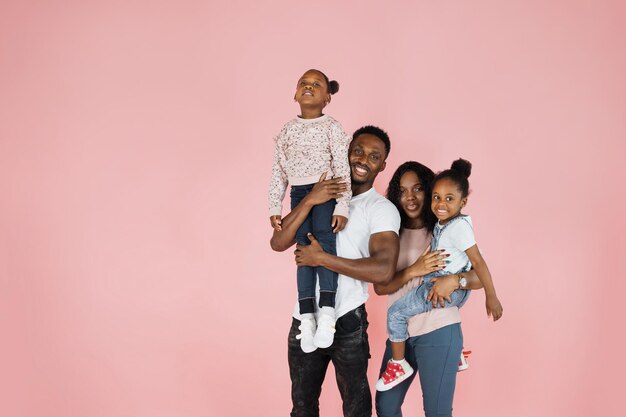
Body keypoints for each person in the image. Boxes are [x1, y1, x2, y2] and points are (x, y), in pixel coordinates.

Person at [270, 125, 400, 417]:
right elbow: (278, 242)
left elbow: (383, 270)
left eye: (373, 156)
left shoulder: (380, 209)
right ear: (345, 151)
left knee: (356, 410)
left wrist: (322, 258)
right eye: (357, 151)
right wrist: (311, 199)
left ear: (382, 165)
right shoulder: (319, 192)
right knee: (302, 409)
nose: (363, 159)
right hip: (304, 318)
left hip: (347, 319)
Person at [374, 161, 493, 417]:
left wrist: (456, 280)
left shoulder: (446, 228)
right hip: (401, 335)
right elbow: (381, 287)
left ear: (429, 191)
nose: (410, 197)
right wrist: (413, 270)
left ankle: (454, 351)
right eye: (402, 190)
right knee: (386, 407)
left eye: (417, 189)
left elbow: (479, 274)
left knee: (437, 413)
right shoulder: (388, 234)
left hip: (438, 330)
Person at [268, 69, 352, 351]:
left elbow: (342, 169)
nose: (308, 86)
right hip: (299, 192)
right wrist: (273, 206)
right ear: (295, 94)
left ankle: (327, 312)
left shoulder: (333, 127)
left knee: (324, 245)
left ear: (327, 98)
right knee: (303, 251)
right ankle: (307, 316)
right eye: (303, 83)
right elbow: (278, 171)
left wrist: (342, 205)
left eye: (316, 84)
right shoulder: (287, 130)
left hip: (326, 190)